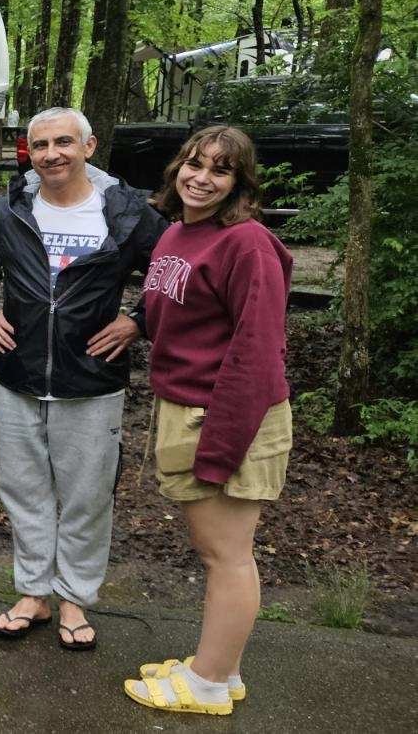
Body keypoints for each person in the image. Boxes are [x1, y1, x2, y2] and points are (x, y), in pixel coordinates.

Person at [0, 107, 167, 650]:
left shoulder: (125, 213)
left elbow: (172, 270)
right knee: (24, 492)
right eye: (41, 145)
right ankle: (33, 593)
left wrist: (138, 320)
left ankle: (74, 599)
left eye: (64, 143)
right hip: (19, 375)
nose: (52, 154)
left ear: (89, 146)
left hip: (93, 378)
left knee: (85, 496)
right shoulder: (9, 210)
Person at [124, 126, 292, 717]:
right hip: (185, 405)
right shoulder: (177, 232)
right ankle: (219, 665)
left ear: (238, 183)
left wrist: (221, 446)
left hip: (229, 415)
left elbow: (257, 351)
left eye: (220, 171)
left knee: (228, 554)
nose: (201, 178)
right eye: (193, 164)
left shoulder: (247, 244)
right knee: (214, 548)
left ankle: (211, 684)